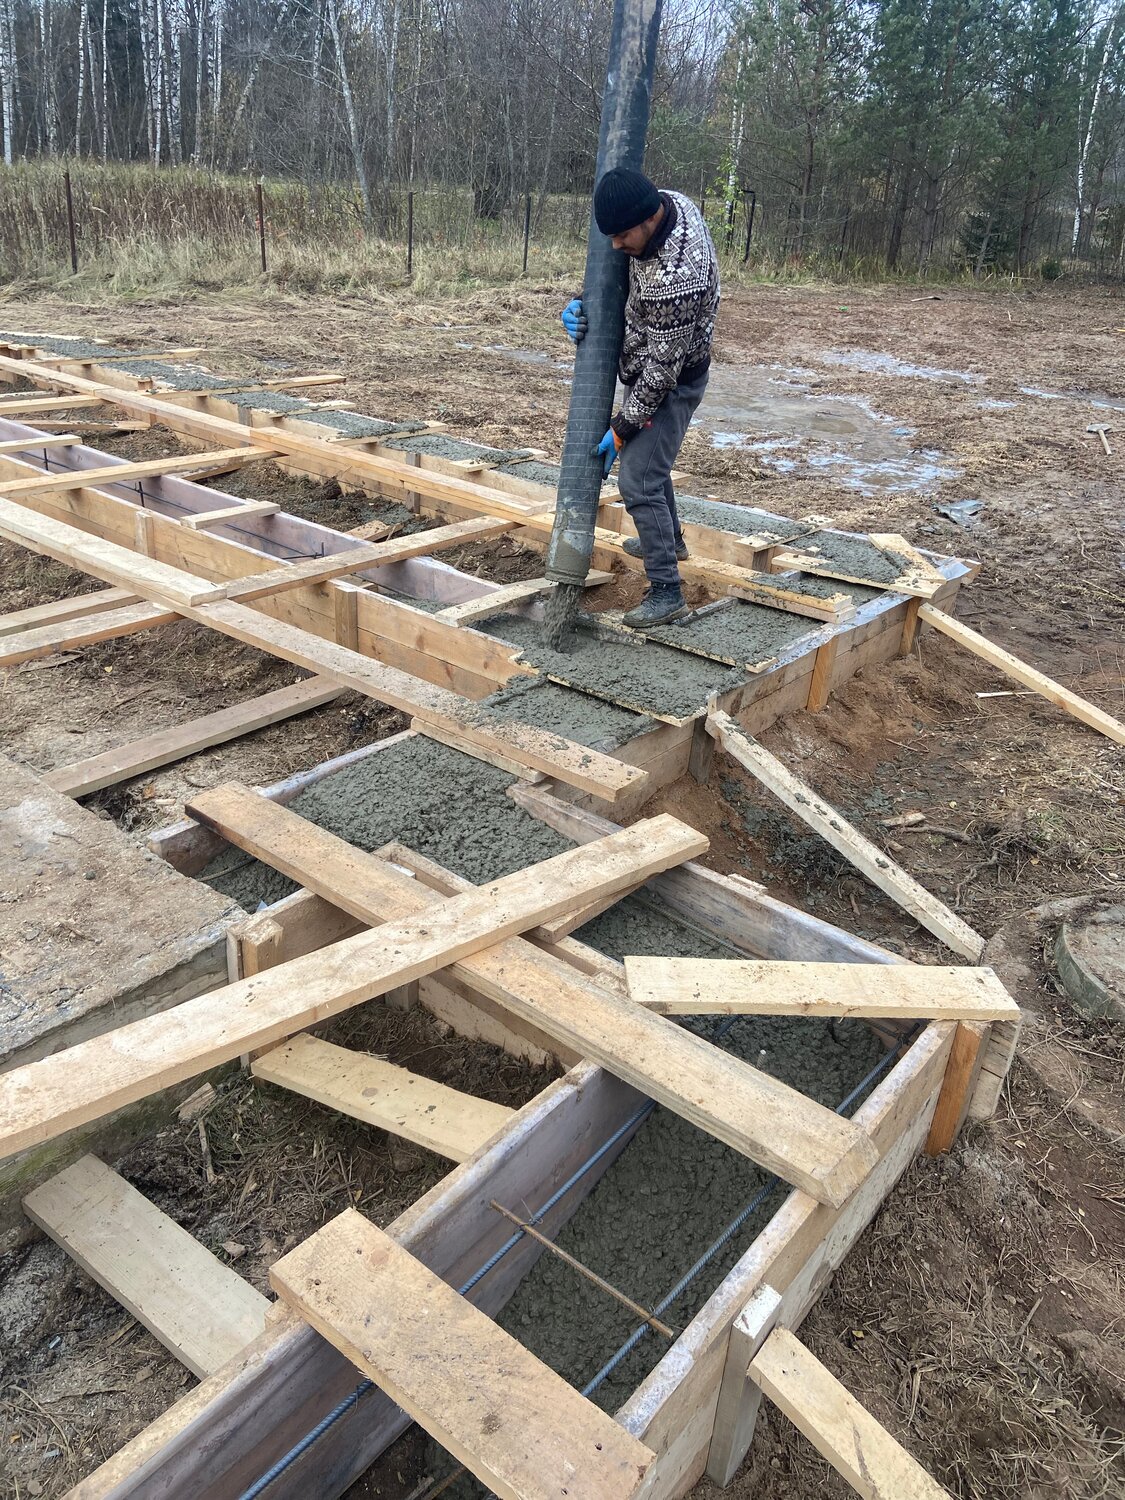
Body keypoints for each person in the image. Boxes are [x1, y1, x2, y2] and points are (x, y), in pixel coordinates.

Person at [561, 166, 720, 627]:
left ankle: (667, 591)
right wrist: (582, 300)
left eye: (622, 235)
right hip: (650, 358)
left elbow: (660, 375)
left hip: (674, 379)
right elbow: (619, 271)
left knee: (637, 481)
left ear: (650, 219)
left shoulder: (678, 273)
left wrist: (622, 427)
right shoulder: (662, 202)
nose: (615, 245)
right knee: (651, 467)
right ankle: (669, 541)